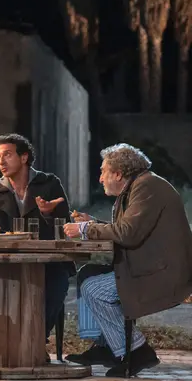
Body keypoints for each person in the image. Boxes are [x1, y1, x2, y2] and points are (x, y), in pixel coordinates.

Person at [64, 143, 192, 377]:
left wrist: (86, 228)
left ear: (118, 174)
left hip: (162, 274)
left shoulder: (147, 187)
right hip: (149, 267)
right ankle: (105, 346)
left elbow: (127, 233)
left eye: (103, 172)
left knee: (93, 288)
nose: (100, 178)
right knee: (87, 273)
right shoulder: (137, 187)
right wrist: (93, 223)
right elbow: (128, 229)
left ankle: (137, 350)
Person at [0, 133, 74, 351]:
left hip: (48, 261)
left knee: (57, 283)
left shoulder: (49, 183)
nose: (1, 161)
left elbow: (65, 225)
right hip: (8, 262)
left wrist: (49, 213)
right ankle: (10, 345)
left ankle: (35, 342)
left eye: (7, 155)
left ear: (24, 157)